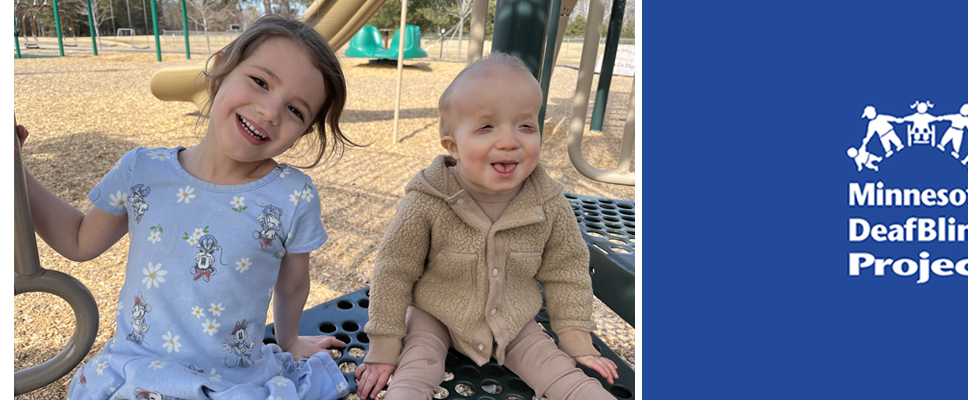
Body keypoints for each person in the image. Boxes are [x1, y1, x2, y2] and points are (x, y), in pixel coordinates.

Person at [19, 14, 359, 400]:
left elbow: (293, 284)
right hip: (139, 370)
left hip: (231, 382)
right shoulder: (142, 171)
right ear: (219, 70)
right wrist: (15, 170)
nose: (270, 111)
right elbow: (78, 241)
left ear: (305, 131)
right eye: (260, 82)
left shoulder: (292, 196)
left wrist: (289, 340)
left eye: (296, 110)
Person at [354, 52, 620, 400]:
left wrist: (575, 337)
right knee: (418, 366)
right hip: (435, 316)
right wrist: (384, 348)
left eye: (526, 126)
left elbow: (566, 270)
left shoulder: (547, 204)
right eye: (486, 127)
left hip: (513, 322)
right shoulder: (428, 200)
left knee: (560, 372)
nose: (510, 140)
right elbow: (394, 271)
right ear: (454, 147)